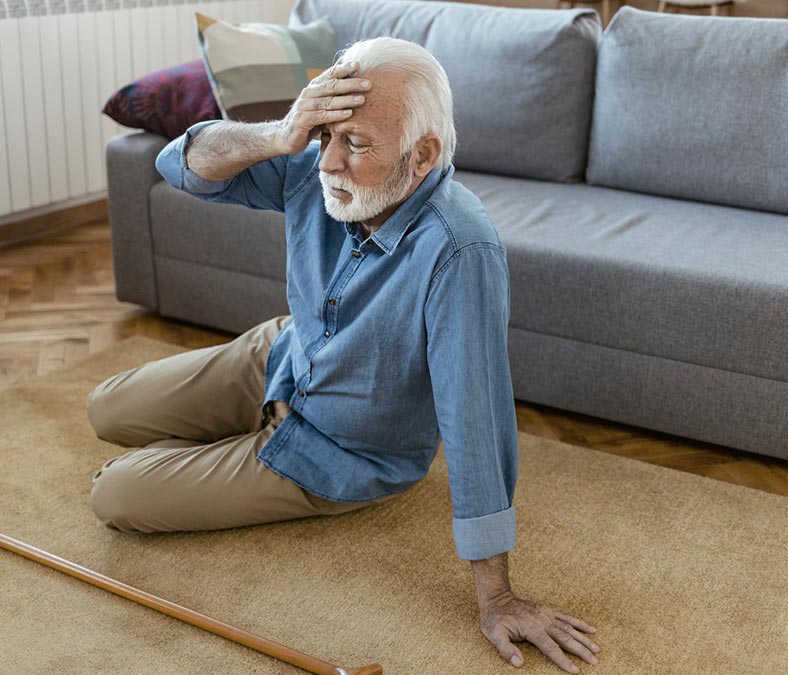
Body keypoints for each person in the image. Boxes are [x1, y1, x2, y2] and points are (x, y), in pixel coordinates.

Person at [84, 36, 601, 673]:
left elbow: (477, 417)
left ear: (422, 156)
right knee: (105, 409)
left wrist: (497, 596)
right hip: (286, 354)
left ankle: (231, 450)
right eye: (327, 135)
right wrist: (282, 134)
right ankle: (228, 433)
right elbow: (180, 164)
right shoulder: (315, 162)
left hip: (340, 451)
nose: (329, 163)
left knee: (115, 496)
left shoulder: (459, 251)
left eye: (355, 144)